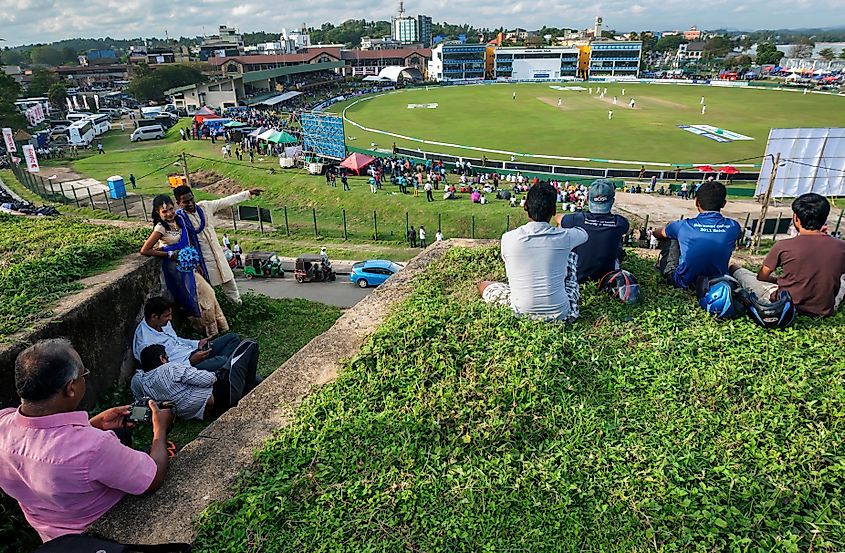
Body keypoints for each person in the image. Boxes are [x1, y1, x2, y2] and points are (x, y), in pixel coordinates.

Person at [0, 339, 173, 542]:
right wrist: (159, 430)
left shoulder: (3, 422)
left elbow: (46, 447)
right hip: (104, 531)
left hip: (52, 536)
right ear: (70, 388)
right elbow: (153, 479)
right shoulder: (95, 447)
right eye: (84, 375)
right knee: (155, 454)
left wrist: (92, 424)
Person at [478, 182, 588, 322]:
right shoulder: (565, 237)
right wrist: (560, 225)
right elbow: (584, 234)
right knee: (570, 257)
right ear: (554, 211)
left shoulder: (508, 238)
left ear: (525, 206)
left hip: (519, 311)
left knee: (484, 285)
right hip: (561, 314)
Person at [730, 193, 845, 316]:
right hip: (825, 308)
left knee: (746, 276)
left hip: (784, 304)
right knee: (842, 281)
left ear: (796, 217)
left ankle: (733, 268)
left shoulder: (783, 246)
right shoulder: (841, 246)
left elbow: (762, 277)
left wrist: (778, 280)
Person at [140, 195, 228, 336]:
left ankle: (216, 328)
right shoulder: (160, 228)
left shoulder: (179, 220)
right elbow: (145, 250)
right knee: (195, 299)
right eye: (164, 212)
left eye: (171, 209)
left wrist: (195, 262)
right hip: (176, 270)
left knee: (208, 295)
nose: (169, 214)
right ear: (158, 213)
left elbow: (186, 243)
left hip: (188, 267)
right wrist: (168, 254)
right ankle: (206, 331)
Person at [173, 185, 262, 304]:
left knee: (230, 285)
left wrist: (248, 193)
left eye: (191, 199)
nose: (190, 203)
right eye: (185, 202)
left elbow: (225, 201)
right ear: (178, 203)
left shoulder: (205, 206)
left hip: (218, 255)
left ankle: (238, 307)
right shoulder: (179, 219)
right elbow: (177, 239)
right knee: (207, 293)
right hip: (202, 261)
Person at [133, 343, 259, 420]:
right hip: (224, 396)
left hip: (206, 413)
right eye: (167, 357)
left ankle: (251, 385)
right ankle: (249, 390)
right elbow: (210, 379)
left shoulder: (140, 382)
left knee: (237, 368)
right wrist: (216, 373)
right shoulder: (170, 368)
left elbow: (139, 405)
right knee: (249, 345)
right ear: (162, 358)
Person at [654, 181, 742, 289]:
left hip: (683, 283)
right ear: (724, 203)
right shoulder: (733, 226)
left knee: (671, 233)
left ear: (697, 202)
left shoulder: (683, 225)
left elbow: (658, 233)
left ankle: (667, 271)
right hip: (717, 282)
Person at [133, 296, 243, 374]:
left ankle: (224, 369)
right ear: (154, 317)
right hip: (186, 366)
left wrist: (197, 343)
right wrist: (189, 362)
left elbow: (175, 339)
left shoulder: (162, 323)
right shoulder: (145, 343)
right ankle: (225, 367)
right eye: (167, 316)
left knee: (232, 338)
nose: (170, 318)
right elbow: (161, 371)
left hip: (193, 351)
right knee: (222, 360)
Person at [559, 180, 629, 283]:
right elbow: (627, 229)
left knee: (563, 226)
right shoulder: (620, 222)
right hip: (607, 277)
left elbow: (558, 218)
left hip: (580, 276)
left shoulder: (577, 219)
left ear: (587, 199)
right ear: (612, 201)